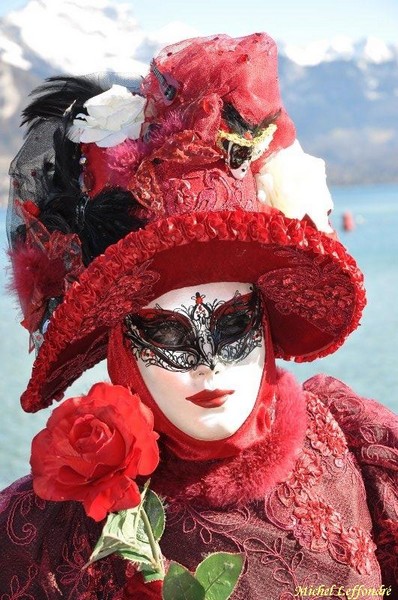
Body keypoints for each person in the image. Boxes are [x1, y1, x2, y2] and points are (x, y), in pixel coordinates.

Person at [1, 33, 397, 599]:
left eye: (234, 324)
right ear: (121, 348)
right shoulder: (43, 536)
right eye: (167, 333)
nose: (210, 367)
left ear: (266, 322)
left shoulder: (358, 452)